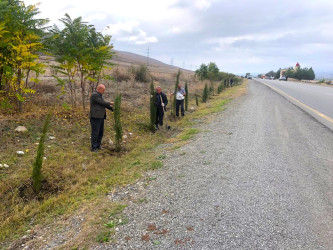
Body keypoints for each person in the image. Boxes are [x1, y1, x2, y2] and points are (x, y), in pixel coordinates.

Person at [89, 84, 113, 152]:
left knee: (100, 132)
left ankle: (98, 145)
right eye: (103, 90)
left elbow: (103, 104)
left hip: (100, 117)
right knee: (95, 133)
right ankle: (93, 148)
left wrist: (113, 109)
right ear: (99, 89)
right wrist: (110, 103)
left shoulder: (99, 95)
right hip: (95, 117)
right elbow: (102, 103)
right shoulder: (94, 95)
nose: (104, 91)